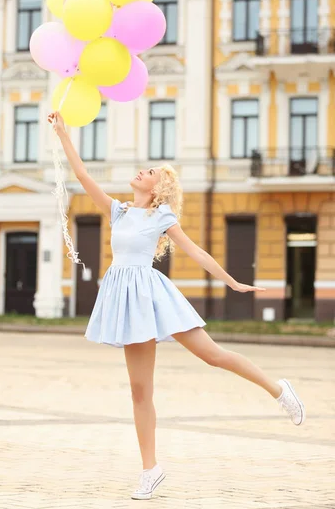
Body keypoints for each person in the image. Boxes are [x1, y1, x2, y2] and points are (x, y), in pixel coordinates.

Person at [48, 111, 306, 501]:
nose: (140, 171)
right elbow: (83, 175)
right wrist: (64, 133)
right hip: (124, 298)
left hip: (153, 296)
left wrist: (231, 281)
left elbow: (195, 251)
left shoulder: (162, 215)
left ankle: (278, 389)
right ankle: (150, 470)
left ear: (158, 187)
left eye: (148, 171)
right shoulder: (119, 211)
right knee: (139, 390)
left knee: (212, 355)